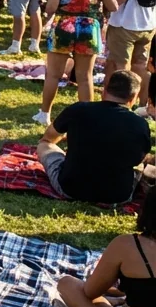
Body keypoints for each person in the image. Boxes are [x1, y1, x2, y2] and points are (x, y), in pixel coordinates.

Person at [55, 187, 156, 307]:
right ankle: (120, 303)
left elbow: (90, 292)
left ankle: (115, 306)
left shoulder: (128, 245)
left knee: (67, 284)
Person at [39, 69, 150, 205]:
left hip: (71, 188)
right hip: (118, 195)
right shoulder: (140, 124)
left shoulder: (78, 109)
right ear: (133, 99)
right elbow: (137, 159)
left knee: (44, 145)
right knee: (140, 167)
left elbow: (49, 137)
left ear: (104, 91)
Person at [38, 0, 117, 124]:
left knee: (54, 75)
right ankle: (87, 116)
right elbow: (113, 5)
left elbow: (50, 8)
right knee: (85, 76)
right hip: (89, 28)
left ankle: (45, 114)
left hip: (64, 27)